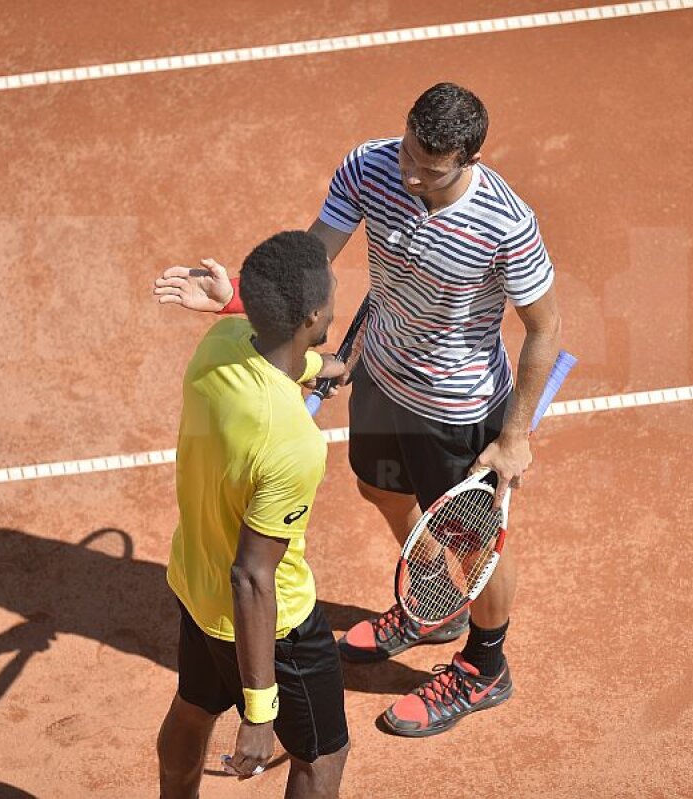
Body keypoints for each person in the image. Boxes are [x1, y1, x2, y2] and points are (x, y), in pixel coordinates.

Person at [154, 82, 561, 738]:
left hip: (458, 406)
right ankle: (435, 601)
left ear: (469, 162)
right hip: (379, 368)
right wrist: (238, 295)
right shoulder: (370, 166)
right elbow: (313, 256)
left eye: (428, 168)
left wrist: (515, 435)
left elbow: (546, 329)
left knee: (476, 544)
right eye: (407, 150)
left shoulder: (505, 223)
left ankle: (485, 666)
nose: (408, 172)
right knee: (377, 488)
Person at [154, 231, 350, 799]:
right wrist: (260, 712)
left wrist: (315, 364)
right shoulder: (295, 443)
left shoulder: (219, 342)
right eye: (331, 284)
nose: (338, 286)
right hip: (275, 626)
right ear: (315, 313)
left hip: (196, 585)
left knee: (193, 709)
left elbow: (263, 354)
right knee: (322, 754)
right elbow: (253, 576)